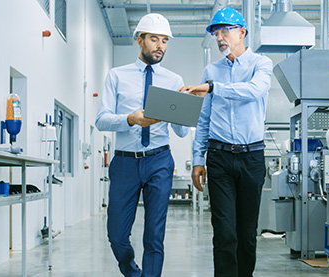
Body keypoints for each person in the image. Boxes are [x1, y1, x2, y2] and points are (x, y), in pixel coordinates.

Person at [179, 7, 273, 277]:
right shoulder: (211, 70)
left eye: (225, 31)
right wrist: (198, 160)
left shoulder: (260, 64)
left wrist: (213, 87)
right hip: (219, 158)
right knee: (224, 231)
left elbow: (254, 91)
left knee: (246, 233)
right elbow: (204, 119)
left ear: (242, 32)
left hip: (252, 158)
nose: (219, 37)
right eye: (215, 33)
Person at [95, 13, 189, 277]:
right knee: (117, 235)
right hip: (125, 161)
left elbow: (181, 132)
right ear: (140, 40)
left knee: (154, 235)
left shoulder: (173, 80)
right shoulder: (116, 76)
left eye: (164, 41)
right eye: (154, 39)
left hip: (159, 160)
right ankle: (133, 273)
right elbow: (101, 120)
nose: (160, 46)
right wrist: (130, 119)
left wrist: (185, 108)